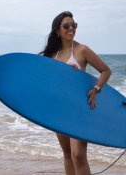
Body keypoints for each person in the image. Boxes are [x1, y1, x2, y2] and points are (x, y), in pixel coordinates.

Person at [40, 11, 111, 175]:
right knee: (67, 154)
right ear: (57, 30)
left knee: (78, 155)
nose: (71, 28)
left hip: (79, 109)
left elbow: (106, 71)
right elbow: (46, 82)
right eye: (67, 26)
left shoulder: (82, 50)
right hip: (59, 108)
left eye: (74, 25)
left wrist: (96, 89)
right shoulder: (51, 55)